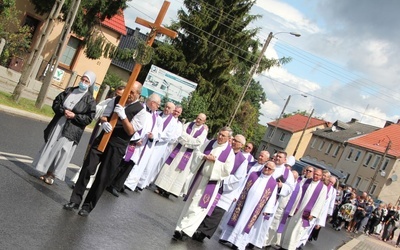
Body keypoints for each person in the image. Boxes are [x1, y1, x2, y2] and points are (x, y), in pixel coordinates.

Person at [63, 81, 146, 216]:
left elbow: (131, 131)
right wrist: (105, 122)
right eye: (128, 91)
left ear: (138, 94)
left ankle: (87, 206)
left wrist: (123, 116)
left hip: (117, 146)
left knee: (103, 177)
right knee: (87, 168)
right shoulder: (116, 100)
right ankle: (75, 200)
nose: (129, 94)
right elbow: (104, 116)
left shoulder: (141, 111)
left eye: (133, 92)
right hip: (103, 139)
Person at [32, 71, 96, 185]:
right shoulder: (69, 90)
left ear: (90, 84)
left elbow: (89, 118)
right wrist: (63, 111)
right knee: (51, 146)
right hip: (59, 123)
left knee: (61, 151)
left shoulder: (90, 100)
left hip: (72, 129)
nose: (83, 82)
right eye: (82, 79)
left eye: (86, 81)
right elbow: (57, 102)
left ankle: (52, 175)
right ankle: (45, 171)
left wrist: (75, 116)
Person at [172, 127, 235, 241]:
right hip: (199, 178)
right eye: (219, 134)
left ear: (228, 138)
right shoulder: (210, 143)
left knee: (199, 207)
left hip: (211, 182)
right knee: (191, 203)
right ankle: (180, 228)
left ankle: (184, 229)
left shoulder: (229, 153)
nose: (220, 137)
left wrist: (215, 162)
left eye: (223, 136)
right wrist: (204, 157)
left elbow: (227, 170)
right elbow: (197, 152)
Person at [192, 134, 248, 242]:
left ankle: (203, 233)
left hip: (225, 190)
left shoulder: (242, 160)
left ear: (241, 145)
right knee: (203, 205)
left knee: (215, 213)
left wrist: (222, 178)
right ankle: (195, 227)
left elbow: (238, 178)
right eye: (232, 139)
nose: (233, 141)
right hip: (213, 182)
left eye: (236, 141)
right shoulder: (225, 151)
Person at [219, 161, 278, 250]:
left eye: (269, 168)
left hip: (255, 208)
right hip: (243, 201)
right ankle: (226, 237)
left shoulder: (273, 183)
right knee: (235, 218)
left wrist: (267, 210)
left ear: (273, 171)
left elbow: (272, 198)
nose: (266, 169)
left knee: (245, 224)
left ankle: (237, 243)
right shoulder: (253, 174)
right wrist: (236, 195)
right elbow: (242, 185)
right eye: (266, 167)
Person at [154, 113, 208, 198]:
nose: (198, 120)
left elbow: (198, 143)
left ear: (204, 121)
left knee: (179, 172)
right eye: (198, 118)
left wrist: (186, 142)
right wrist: (189, 140)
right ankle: (160, 187)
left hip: (188, 154)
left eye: (200, 119)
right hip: (178, 150)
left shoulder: (203, 132)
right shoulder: (188, 124)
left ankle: (169, 191)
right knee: (170, 168)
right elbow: (180, 134)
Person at [117, 93, 162, 193]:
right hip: (133, 141)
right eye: (158, 104)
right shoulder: (140, 108)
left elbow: (155, 131)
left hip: (143, 145)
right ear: (152, 103)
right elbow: (133, 123)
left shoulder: (155, 116)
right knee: (123, 162)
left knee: (130, 165)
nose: (158, 107)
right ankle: (113, 183)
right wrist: (135, 139)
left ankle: (119, 185)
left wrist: (152, 136)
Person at [280, 168, 327, 250]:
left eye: (318, 175)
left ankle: (290, 248)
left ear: (321, 176)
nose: (316, 176)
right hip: (297, 208)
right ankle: (283, 246)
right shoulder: (305, 181)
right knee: (288, 228)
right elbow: (297, 192)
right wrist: (292, 205)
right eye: (315, 174)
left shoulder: (323, 188)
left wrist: (313, 214)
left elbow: (321, 202)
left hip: (306, 213)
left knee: (297, 231)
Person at [137, 102, 178, 190]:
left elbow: (168, 136)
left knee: (150, 164)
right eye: (166, 106)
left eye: (169, 108)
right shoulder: (157, 114)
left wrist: (156, 137)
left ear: (172, 110)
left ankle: (141, 183)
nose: (166, 109)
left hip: (159, 145)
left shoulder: (173, 122)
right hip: (149, 141)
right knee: (142, 160)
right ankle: (135, 179)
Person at [261, 152, 295, 249]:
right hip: (262, 197)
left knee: (270, 223)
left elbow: (290, 188)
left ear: (285, 160)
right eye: (276, 156)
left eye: (280, 157)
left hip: (275, 200)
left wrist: (282, 186)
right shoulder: (268, 165)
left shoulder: (287, 173)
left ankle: (265, 242)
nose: (277, 158)